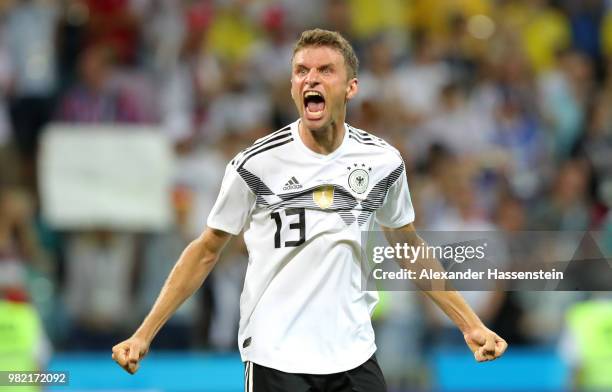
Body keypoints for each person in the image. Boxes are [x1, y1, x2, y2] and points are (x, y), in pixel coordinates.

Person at [112, 29, 507, 391]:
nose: (311, 79)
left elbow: (408, 246)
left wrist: (469, 324)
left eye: (325, 70)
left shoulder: (383, 162)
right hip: (275, 356)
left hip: (353, 351)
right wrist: (144, 333)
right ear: (292, 86)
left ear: (351, 87)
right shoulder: (255, 165)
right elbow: (206, 249)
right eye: (301, 70)